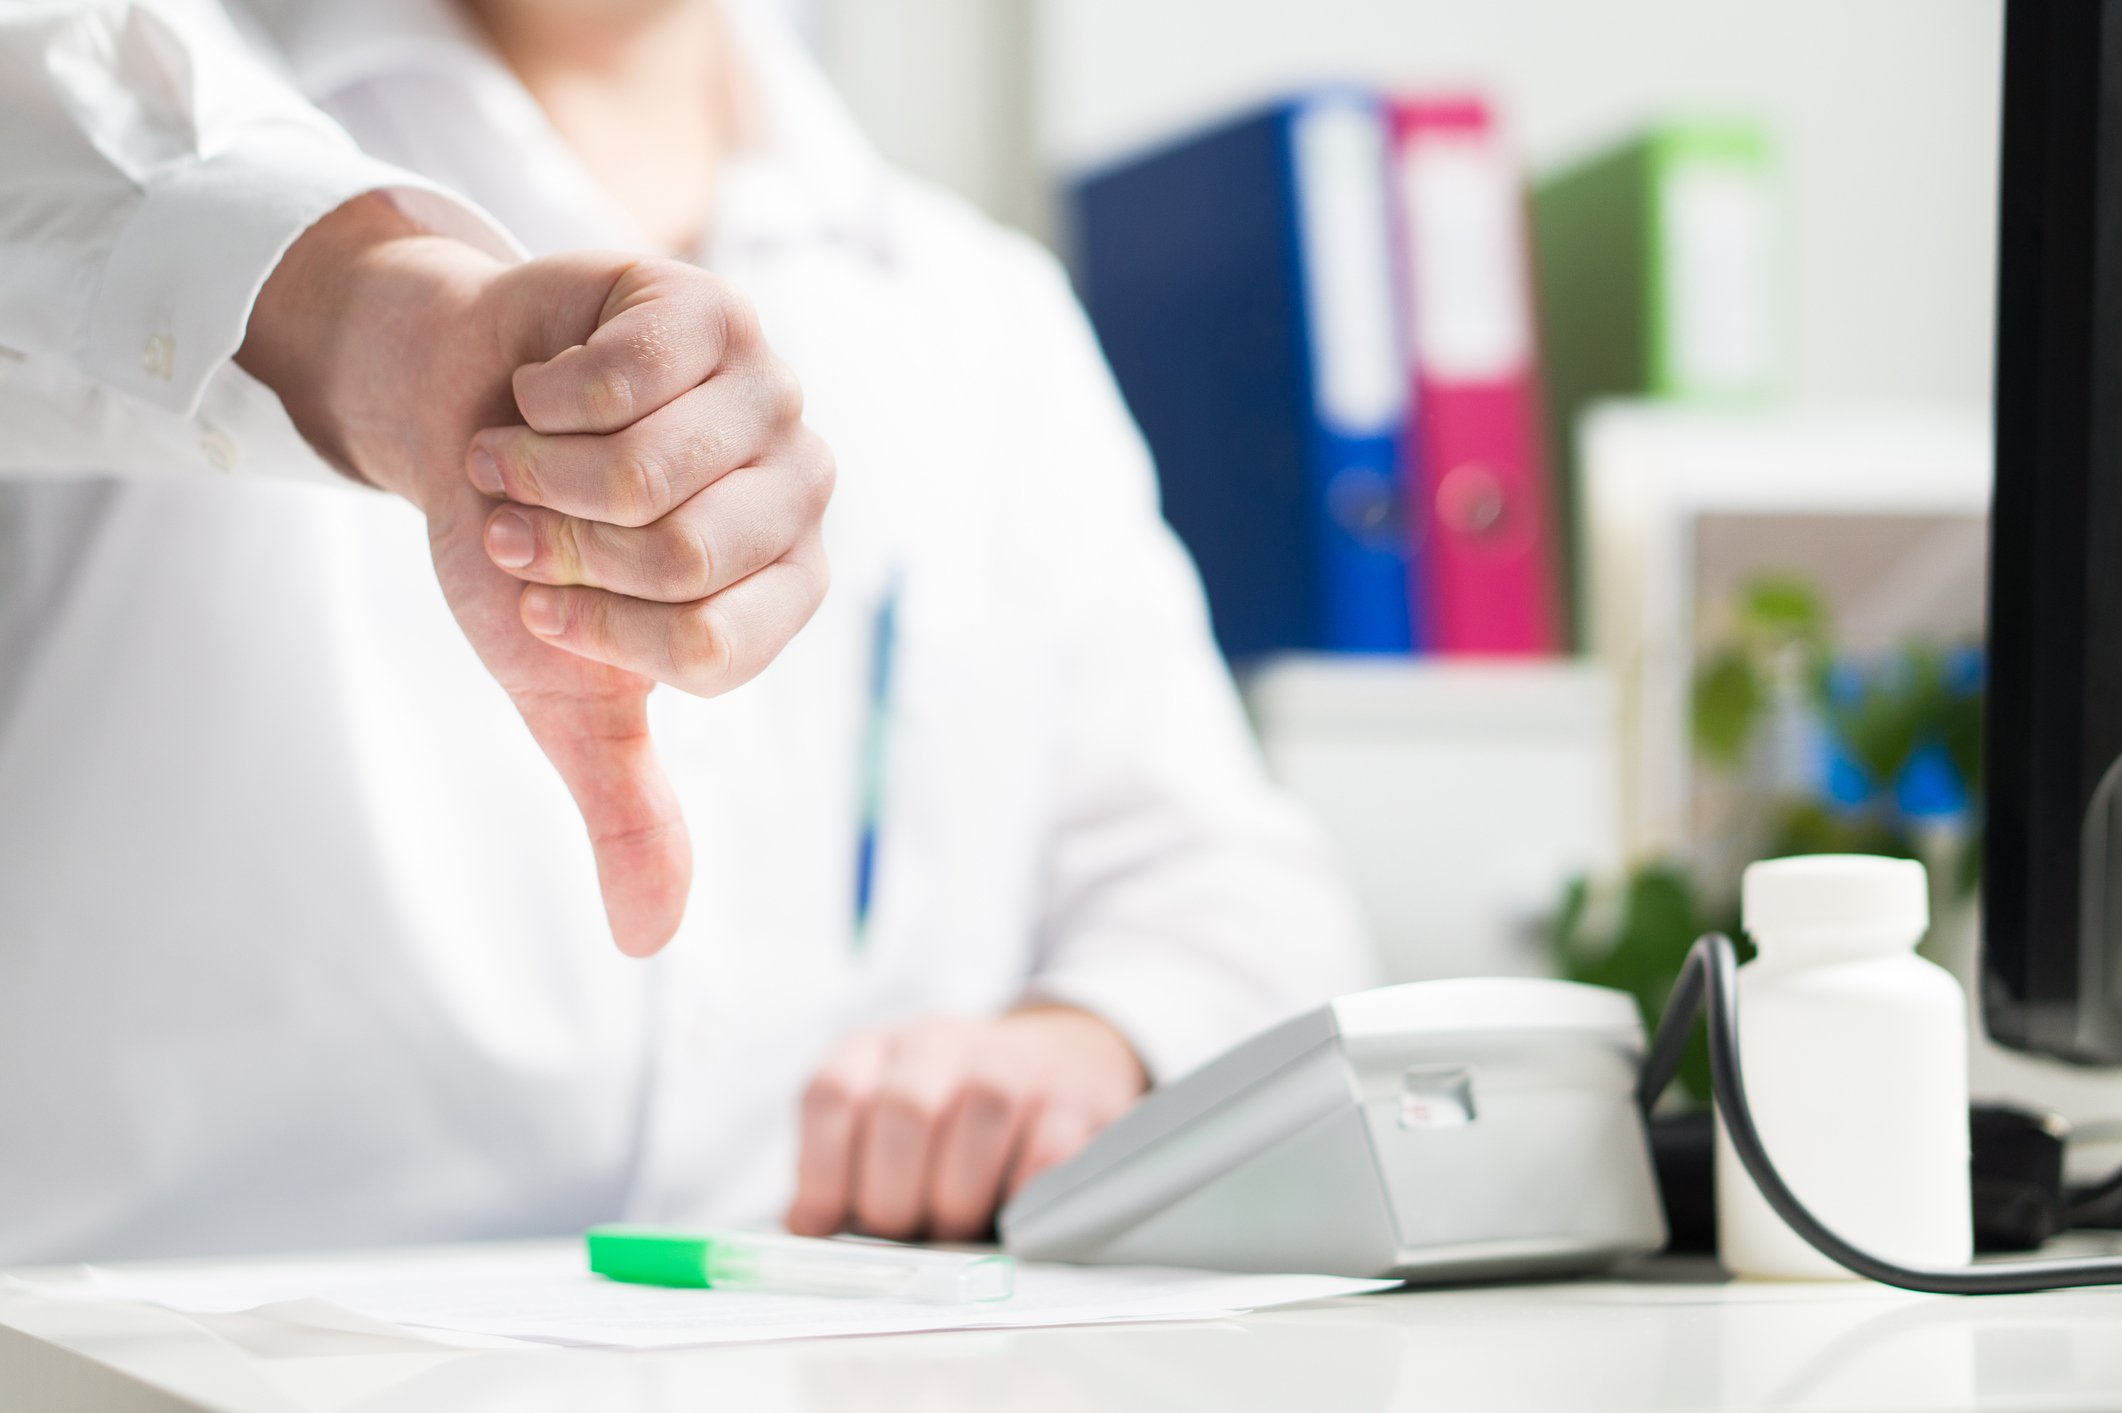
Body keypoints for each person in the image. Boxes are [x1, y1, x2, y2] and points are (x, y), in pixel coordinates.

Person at [0, 0, 1374, 1263]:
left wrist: (1088, 1037)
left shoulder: (986, 321)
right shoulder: (102, 114)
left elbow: (1235, 885)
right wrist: (386, 325)